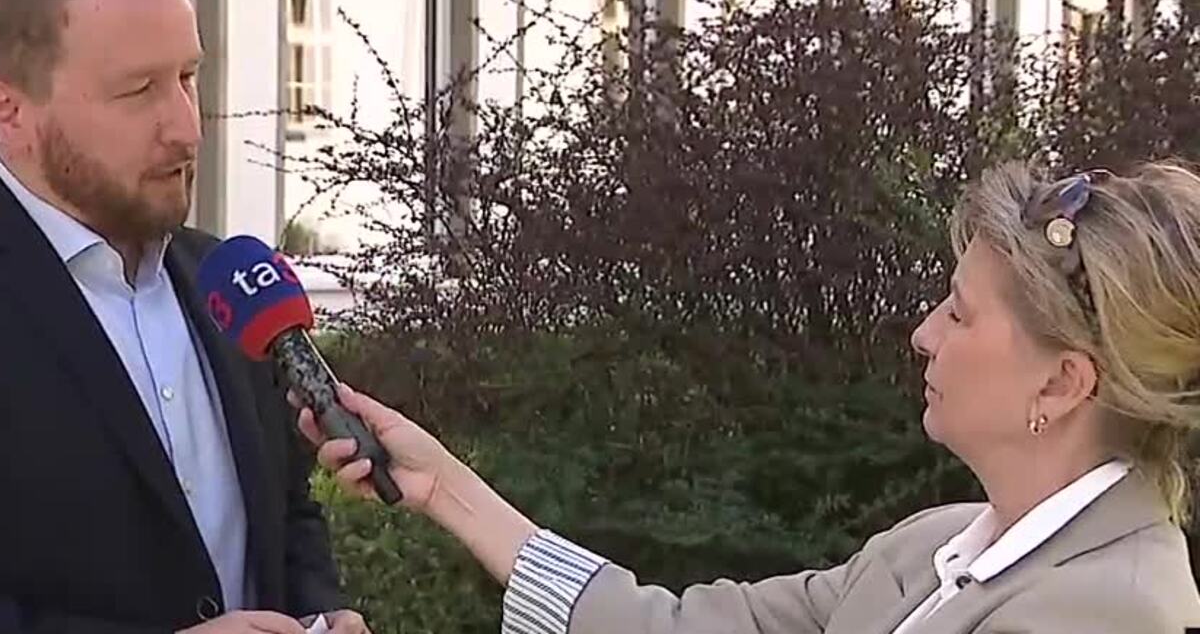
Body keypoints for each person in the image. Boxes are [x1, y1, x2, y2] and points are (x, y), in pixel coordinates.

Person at [304, 159, 1200, 633]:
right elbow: (672, 629)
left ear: (1063, 381)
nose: (924, 334)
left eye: (960, 313)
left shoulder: (1111, 610)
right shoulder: (931, 546)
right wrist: (445, 487)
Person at [0, 0, 369, 632]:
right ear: (7, 110)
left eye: (188, 77)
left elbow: (287, 511)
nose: (187, 127)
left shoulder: (225, 283)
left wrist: (321, 609)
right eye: (138, 91)